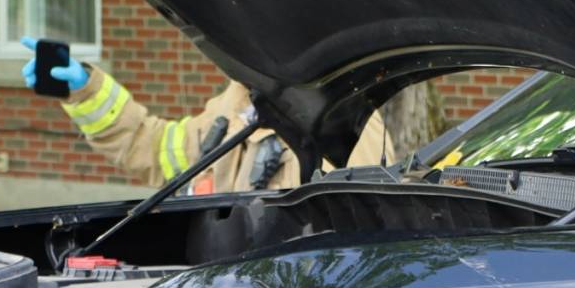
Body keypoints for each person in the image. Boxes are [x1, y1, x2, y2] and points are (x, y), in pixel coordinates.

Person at [22, 38, 396, 194]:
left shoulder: (348, 126)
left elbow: (348, 242)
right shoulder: (234, 104)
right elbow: (152, 148)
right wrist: (85, 89)